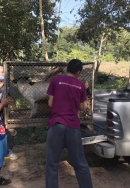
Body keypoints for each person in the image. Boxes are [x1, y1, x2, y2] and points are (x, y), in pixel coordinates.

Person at [46, 59, 93, 188]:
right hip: (73, 127)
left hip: (56, 125)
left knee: (52, 164)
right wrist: (83, 90)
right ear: (78, 72)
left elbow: (50, 103)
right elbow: (81, 107)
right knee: (80, 163)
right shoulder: (80, 85)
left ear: (67, 69)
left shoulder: (56, 80)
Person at [0, 65, 18, 160]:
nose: (4, 73)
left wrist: (15, 109)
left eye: (5, 71)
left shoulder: (9, 83)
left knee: (10, 130)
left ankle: (9, 151)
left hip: (6, 110)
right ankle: (0, 155)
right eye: (2, 71)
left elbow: (11, 97)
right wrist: (2, 83)